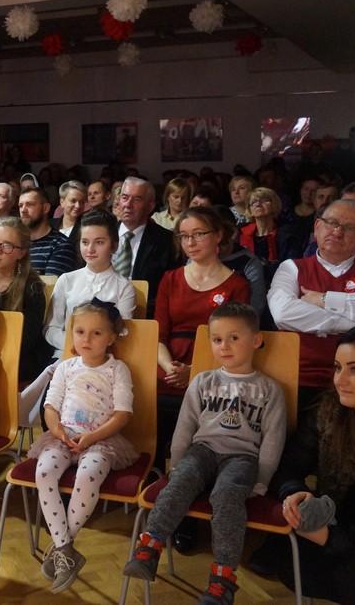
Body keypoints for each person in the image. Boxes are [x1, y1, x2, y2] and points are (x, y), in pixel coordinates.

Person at [123, 303, 287, 605]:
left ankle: (223, 579)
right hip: (203, 450)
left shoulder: (269, 389)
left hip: (242, 458)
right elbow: (185, 426)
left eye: (234, 338)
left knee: (227, 495)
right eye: (217, 339)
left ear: (256, 340)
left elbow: (273, 440)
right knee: (182, 480)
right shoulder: (202, 381)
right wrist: (177, 463)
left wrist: (262, 481)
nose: (224, 346)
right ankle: (149, 546)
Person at [270, 324, 355, 603]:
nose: (340, 380)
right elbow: (289, 467)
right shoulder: (328, 411)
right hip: (342, 514)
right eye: (338, 368)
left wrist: (334, 538)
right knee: (289, 563)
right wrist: (295, 493)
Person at [33, 301, 138, 592]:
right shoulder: (66, 367)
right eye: (80, 332)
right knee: (44, 472)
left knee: (89, 474)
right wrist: (57, 430)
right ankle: (65, 549)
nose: (86, 339)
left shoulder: (118, 369)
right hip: (63, 436)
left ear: (111, 338)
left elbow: (123, 414)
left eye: (96, 333)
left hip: (101, 441)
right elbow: (51, 407)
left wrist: (92, 437)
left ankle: (61, 549)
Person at [268, 199, 355, 407]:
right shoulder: (291, 268)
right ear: (317, 227)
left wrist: (325, 299)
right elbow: (284, 314)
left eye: (350, 228)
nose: (337, 232)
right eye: (332, 223)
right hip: (299, 377)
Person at [156, 208, 251, 465]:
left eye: (198, 234)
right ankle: (156, 472)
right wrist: (169, 367)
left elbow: (235, 343)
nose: (190, 242)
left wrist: (194, 371)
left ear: (218, 235)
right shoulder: (170, 279)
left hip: (214, 369)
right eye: (184, 236)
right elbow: (158, 335)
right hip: (169, 364)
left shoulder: (237, 285)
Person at [0, 216, 52, 385]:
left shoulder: (33, 287)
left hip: (20, 357)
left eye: (7, 245)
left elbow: (28, 338)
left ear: (21, 252)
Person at [44, 210, 135, 355]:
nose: (90, 249)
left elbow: (122, 333)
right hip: (66, 354)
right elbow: (51, 328)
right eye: (85, 242)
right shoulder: (66, 280)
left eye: (99, 242)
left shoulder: (124, 287)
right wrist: (75, 344)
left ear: (114, 245)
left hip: (105, 357)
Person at [113, 177, 180, 318]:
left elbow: (168, 292)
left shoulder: (166, 241)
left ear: (150, 206)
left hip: (145, 316)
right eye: (124, 197)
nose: (128, 204)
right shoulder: (103, 233)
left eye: (137, 199)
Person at [19, 188, 78, 276]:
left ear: (45, 208)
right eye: (20, 206)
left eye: (30, 204)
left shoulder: (61, 245)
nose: (23, 210)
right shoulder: (17, 243)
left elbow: (51, 284)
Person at [239, 187, 285, 270]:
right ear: (250, 210)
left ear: (274, 205)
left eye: (263, 200)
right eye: (253, 202)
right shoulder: (241, 233)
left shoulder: (285, 235)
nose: (258, 204)